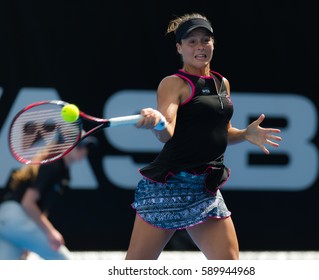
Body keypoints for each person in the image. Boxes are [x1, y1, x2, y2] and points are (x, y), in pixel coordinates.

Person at [126, 13, 282, 260]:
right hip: (168, 185)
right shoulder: (173, 83)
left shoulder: (222, 83)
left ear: (213, 44)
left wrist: (244, 134)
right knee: (137, 268)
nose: (200, 46)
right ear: (179, 48)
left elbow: (222, 132)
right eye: (192, 42)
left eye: (205, 40)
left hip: (205, 187)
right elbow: (167, 132)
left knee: (229, 267)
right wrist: (157, 121)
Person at [0, 136, 98, 260]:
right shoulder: (53, 165)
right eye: (79, 146)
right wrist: (50, 232)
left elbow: (40, 209)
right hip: (16, 216)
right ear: (64, 146)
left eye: (86, 148)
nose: (84, 151)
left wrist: (28, 240)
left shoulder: (60, 170)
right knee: (64, 261)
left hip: (6, 221)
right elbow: (28, 203)